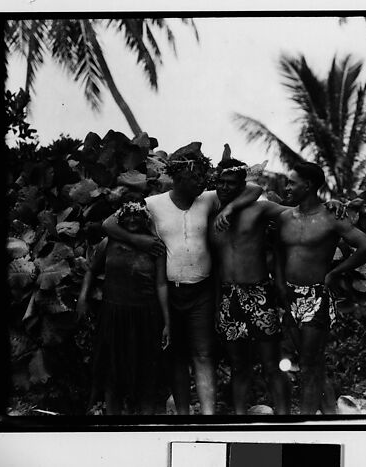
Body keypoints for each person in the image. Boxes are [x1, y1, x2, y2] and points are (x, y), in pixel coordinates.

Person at [102, 142, 262, 415]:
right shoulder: (152, 204)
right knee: (176, 356)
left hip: (201, 290)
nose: (201, 181)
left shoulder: (209, 199)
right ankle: (184, 416)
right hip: (169, 292)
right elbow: (109, 224)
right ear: (177, 177)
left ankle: (209, 416)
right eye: (194, 177)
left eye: (202, 176)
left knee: (203, 354)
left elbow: (255, 189)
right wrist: (138, 240)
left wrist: (229, 209)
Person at [275, 162, 366, 415]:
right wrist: (279, 284)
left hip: (315, 296)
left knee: (308, 364)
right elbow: (277, 253)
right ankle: (331, 414)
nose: (287, 187)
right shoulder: (284, 217)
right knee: (312, 363)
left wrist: (335, 272)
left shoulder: (331, 217)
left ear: (308, 186)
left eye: (292, 183)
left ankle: (307, 423)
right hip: (288, 296)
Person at [209, 158, 291, 415]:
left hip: (258, 294)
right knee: (238, 366)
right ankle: (240, 419)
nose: (224, 187)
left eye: (231, 183)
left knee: (271, 363)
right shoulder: (208, 212)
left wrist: (329, 207)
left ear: (241, 185)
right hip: (227, 296)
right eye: (220, 182)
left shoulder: (259, 210)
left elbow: (295, 213)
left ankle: (284, 417)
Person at [77, 201, 171, 415]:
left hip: (145, 315)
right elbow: (91, 271)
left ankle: (145, 422)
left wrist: (167, 322)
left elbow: (161, 284)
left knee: (146, 372)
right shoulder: (108, 243)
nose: (132, 220)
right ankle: (113, 420)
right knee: (112, 371)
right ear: (120, 218)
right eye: (127, 215)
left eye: (137, 216)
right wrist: (83, 298)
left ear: (145, 218)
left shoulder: (155, 246)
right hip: (114, 314)